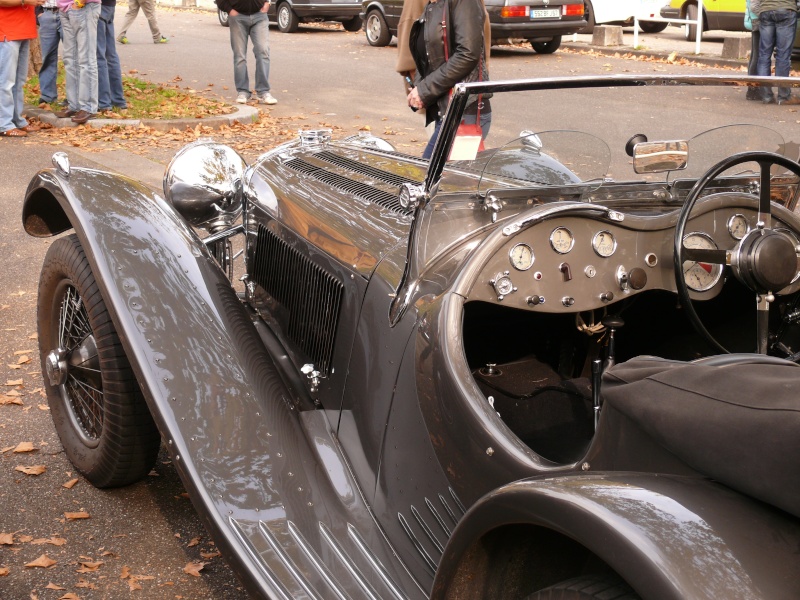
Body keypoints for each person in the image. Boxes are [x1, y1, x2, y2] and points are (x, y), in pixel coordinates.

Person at [407, 0, 491, 159]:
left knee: (434, 178)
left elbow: (467, 54)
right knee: (441, 180)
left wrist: (425, 90)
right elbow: (426, 56)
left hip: (465, 112)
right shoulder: (433, 5)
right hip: (446, 110)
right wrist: (419, 88)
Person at [215, 0, 277, 105]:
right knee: (240, 56)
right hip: (238, 16)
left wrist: (268, 3)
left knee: (263, 51)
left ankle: (263, 91)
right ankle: (242, 91)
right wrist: (229, 10)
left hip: (259, 15)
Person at [0, 0, 45, 137]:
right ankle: (4, 124)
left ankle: (17, 120)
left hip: (24, 29)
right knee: (5, 82)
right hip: (7, 30)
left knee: (18, 82)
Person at [56, 0, 101, 124]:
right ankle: (74, 105)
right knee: (70, 59)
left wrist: (79, 2)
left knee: (86, 59)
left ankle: (88, 107)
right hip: (65, 8)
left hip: (83, 6)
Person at [756, 0, 800, 105]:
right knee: (783, 55)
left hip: (765, 10)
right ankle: (784, 97)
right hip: (786, 10)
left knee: (764, 55)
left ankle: (766, 96)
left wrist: (760, 10)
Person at [96, 0, 126, 111]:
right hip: (109, 6)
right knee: (110, 55)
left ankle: (103, 102)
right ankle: (117, 99)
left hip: (98, 6)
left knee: (99, 56)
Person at [37, 0, 62, 106]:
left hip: (67, 13)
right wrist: (37, 12)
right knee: (47, 57)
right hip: (46, 12)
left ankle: (74, 98)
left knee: (73, 58)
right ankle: (48, 96)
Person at [745, 0, 760, 101]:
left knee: (755, 55)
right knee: (757, 56)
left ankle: (751, 88)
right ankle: (753, 89)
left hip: (754, 18)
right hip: (757, 19)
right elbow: (754, 5)